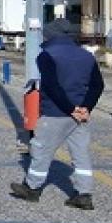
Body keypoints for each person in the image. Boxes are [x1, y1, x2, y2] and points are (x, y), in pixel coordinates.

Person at [10, 19, 103, 210]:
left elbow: (52, 87)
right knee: (81, 154)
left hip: (55, 113)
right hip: (80, 115)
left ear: (52, 35)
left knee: (41, 149)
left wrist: (70, 109)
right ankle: (84, 195)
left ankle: (31, 188)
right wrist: (85, 107)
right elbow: (97, 85)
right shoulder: (86, 56)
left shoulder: (47, 55)